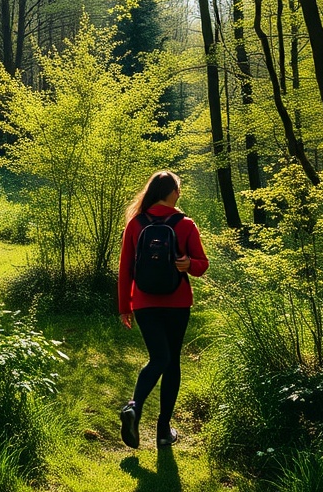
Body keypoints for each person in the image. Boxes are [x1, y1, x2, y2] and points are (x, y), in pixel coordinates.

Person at [117, 170, 208, 449]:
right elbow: (202, 265)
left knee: (158, 357)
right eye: (177, 189)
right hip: (177, 302)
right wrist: (187, 265)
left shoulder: (136, 224)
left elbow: (125, 269)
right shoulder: (186, 224)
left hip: (144, 303)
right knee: (172, 362)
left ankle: (134, 406)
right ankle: (162, 432)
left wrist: (125, 307)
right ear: (172, 193)